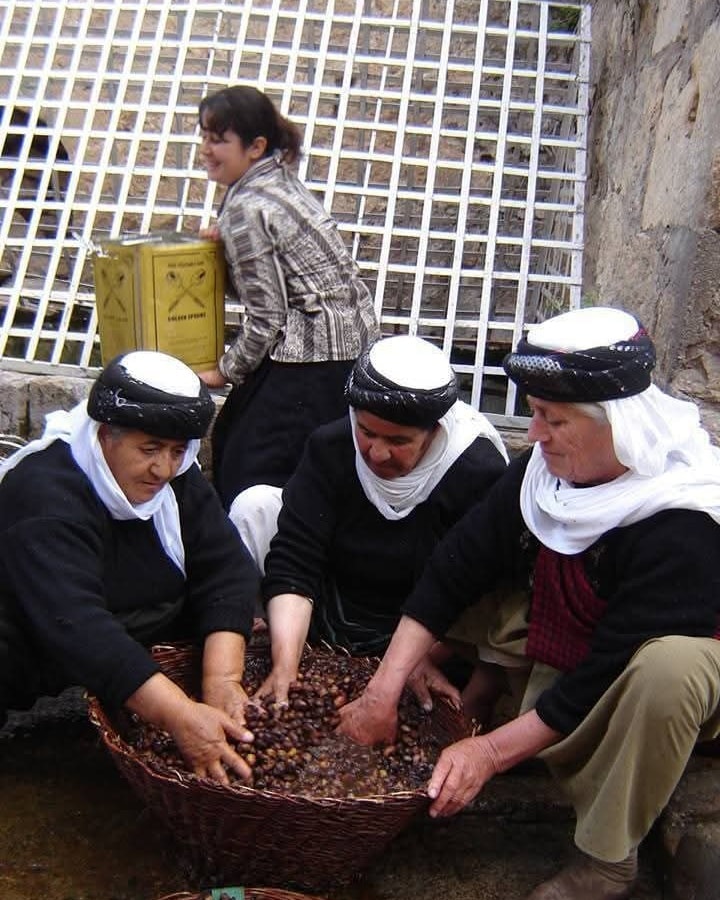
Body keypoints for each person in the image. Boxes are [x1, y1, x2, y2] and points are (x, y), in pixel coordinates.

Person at [337, 306, 720, 900]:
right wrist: (381, 691)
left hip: (650, 672)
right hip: (578, 639)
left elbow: (605, 671)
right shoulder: (543, 474)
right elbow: (457, 566)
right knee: (492, 566)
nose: (534, 433)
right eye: (535, 413)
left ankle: (607, 861)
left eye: (553, 419)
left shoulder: (683, 521)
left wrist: (488, 754)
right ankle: (480, 703)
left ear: (616, 423)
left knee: (667, 670)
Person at [0, 350, 261, 786]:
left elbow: (226, 566)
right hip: (35, 634)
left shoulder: (176, 479)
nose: (163, 469)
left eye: (177, 451)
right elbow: (77, 625)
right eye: (149, 449)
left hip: (136, 617)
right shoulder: (45, 495)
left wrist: (222, 679)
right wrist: (178, 713)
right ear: (106, 435)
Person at [228, 334, 509, 705]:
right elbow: (296, 558)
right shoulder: (332, 447)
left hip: (429, 622)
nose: (377, 453)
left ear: (435, 430)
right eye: (366, 432)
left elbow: (469, 590)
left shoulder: (475, 471)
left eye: (399, 441)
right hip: (338, 600)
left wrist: (416, 657)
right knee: (255, 505)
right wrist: (286, 664)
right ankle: (281, 638)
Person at [195, 84, 379, 509]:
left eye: (218, 140)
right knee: (253, 443)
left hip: (313, 355)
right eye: (203, 136)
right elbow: (275, 284)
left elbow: (267, 315)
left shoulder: (246, 206)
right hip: (347, 346)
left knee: (252, 469)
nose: (205, 149)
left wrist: (224, 370)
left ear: (256, 146)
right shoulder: (275, 181)